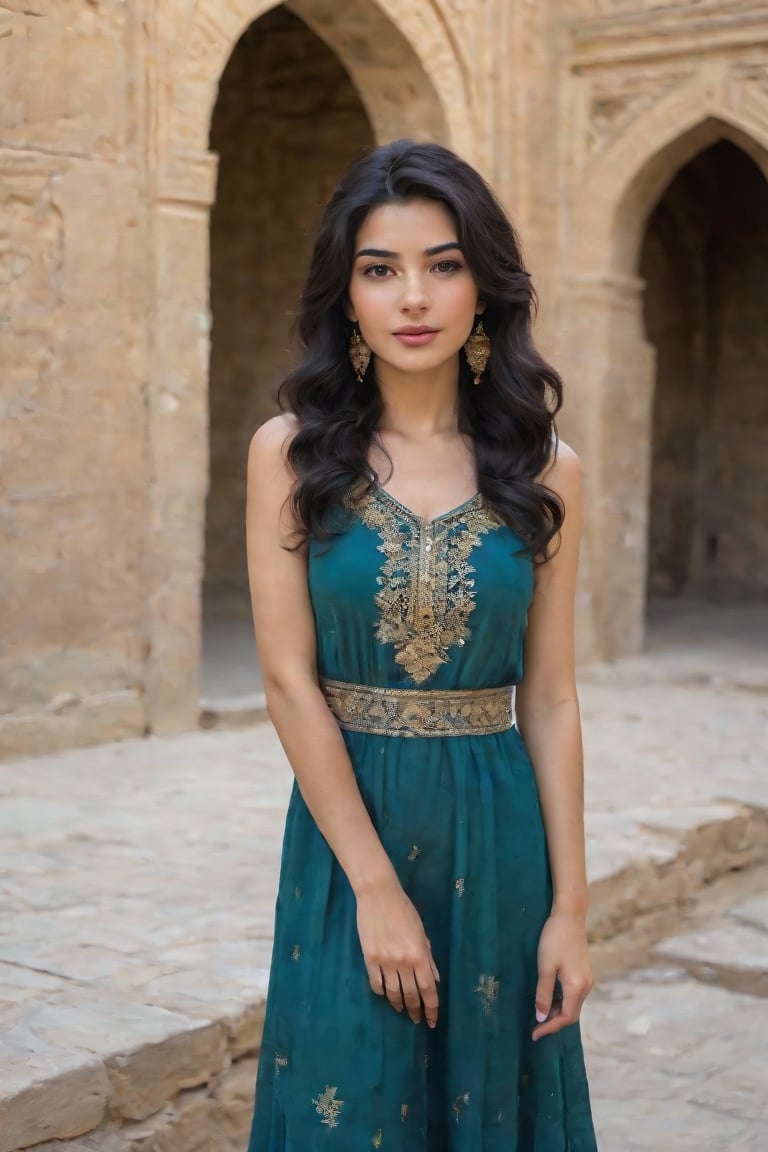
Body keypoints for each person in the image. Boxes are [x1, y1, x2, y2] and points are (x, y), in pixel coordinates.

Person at [245, 139, 597, 1151]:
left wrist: (570, 909)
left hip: (499, 838)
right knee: (342, 1102)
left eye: (443, 265)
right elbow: (285, 679)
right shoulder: (293, 452)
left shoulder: (549, 471)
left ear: (483, 286)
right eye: (380, 268)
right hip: (346, 834)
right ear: (346, 294)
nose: (414, 296)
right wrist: (375, 889)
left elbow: (555, 698)